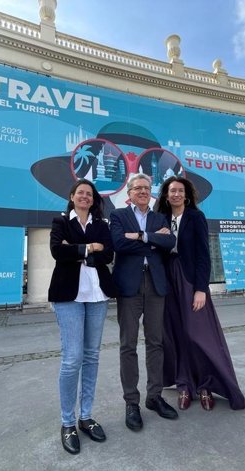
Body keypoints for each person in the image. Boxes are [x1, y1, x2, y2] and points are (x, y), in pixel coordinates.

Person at [155, 176, 245, 411]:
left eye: (179, 191)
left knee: (198, 334)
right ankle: (185, 385)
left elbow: (203, 256)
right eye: (171, 190)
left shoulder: (196, 217)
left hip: (188, 279)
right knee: (175, 334)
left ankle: (205, 385)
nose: (175, 194)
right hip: (167, 280)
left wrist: (200, 289)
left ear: (186, 195)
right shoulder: (160, 219)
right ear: (166, 195)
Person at [48, 179, 118, 455]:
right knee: (72, 358)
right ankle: (67, 423)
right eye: (81, 193)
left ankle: (86, 417)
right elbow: (57, 251)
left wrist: (78, 250)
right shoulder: (60, 222)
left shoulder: (103, 225)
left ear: (94, 199)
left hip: (98, 296)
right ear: (72, 196)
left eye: (90, 194)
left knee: (91, 356)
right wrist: (92, 248)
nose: (85, 197)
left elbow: (109, 253)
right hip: (68, 297)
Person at [110, 173, 177, 432]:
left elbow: (169, 242)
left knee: (155, 342)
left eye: (146, 188)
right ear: (129, 193)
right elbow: (118, 243)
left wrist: (139, 236)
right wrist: (152, 240)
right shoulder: (118, 215)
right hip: (129, 286)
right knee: (128, 345)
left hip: (156, 284)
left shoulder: (161, 217)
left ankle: (154, 396)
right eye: (137, 188)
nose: (142, 192)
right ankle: (131, 403)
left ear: (151, 192)